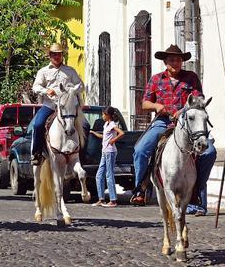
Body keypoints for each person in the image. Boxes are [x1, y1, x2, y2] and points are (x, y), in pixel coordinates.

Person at [130, 45, 217, 216]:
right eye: (171, 60)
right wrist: (157, 106)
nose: (175, 63)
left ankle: (197, 192)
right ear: (165, 62)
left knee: (209, 153)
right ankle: (140, 189)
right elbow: (145, 103)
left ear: (182, 61)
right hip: (163, 122)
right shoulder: (156, 79)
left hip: (188, 123)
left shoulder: (191, 78)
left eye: (178, 60)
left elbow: (199, 100)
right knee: (140, 150)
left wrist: (183, 110)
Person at [30, 43, 84, 166]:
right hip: (50, 105)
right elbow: (36, 86)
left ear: (62, 55)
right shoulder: (43, 71)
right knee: (38, 125)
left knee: (85, 126)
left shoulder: (70, 71)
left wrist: (73, 90)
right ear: (49, 55)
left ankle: (82, 154)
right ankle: (37, 153)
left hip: (68, 107)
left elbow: (80, 85)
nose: (57, 57)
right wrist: (46, 90)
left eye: (59, 54)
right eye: (54, 54)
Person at [91, 107, 124, 208]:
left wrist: (113, 140)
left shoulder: (113, 124)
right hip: (104, 152)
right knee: (99, 175)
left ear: (108, 115)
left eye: (103, 114)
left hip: (110, 152)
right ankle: (101, 199)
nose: (102, 116)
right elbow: (104, 137)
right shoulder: (106, 125)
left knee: (109, 175)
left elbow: (122, 133)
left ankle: (113, 200)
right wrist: (93, 133)